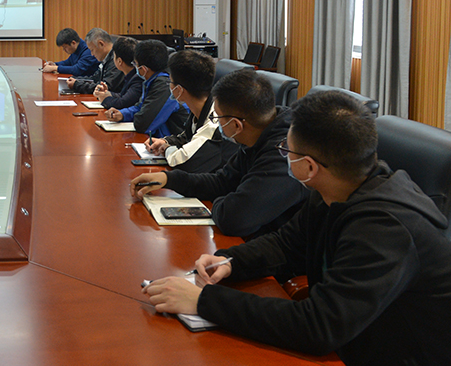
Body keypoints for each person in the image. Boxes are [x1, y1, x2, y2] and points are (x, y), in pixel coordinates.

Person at [142, 90, 451, 366]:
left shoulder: (385, 228)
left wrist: (204, 301)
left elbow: (319, 327)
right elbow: (288, 244)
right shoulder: (337, 187)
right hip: (371, 341)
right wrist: (231, 262)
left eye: (287, 150)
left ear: (309, 167)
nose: (284, 156)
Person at [130, 68, 306, 238]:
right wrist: (168, 179)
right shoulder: (256, 136)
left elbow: (234, 219)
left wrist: (224, 199)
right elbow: (222, 181)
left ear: (236, 125)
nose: (217, 123)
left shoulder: (286, 154)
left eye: (217, 118)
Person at [144, 49, 233, 173]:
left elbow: (183, 163)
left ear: (179, 90)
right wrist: (165, 141)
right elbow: (189, 137)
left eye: (170, 82)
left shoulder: (215, 124)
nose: (169, 86)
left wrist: (167, 148)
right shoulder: (200, 108)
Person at [105, 39, 188, 137]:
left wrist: (134, 116)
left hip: (172, 141)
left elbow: (143, 124)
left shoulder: (165, 86)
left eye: (135, 64)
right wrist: (122, 114)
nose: (135, 67)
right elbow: (140, 107)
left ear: (143, 69)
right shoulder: (152, 81)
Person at [67, 28, 124, 95]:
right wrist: (76, 79)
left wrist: (77, 85)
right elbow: (95, 78)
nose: (92, 54)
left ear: (101, 44)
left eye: (92, 50)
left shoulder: (117, 60)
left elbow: (105, 87)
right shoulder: (106, 58)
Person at [95, 35, 142, 110]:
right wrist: (108, 93)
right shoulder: (130, 74)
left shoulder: (137, 78)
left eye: (114, 56)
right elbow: (123, 96)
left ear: (119, 61)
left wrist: (105, 99)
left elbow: (122, 103)